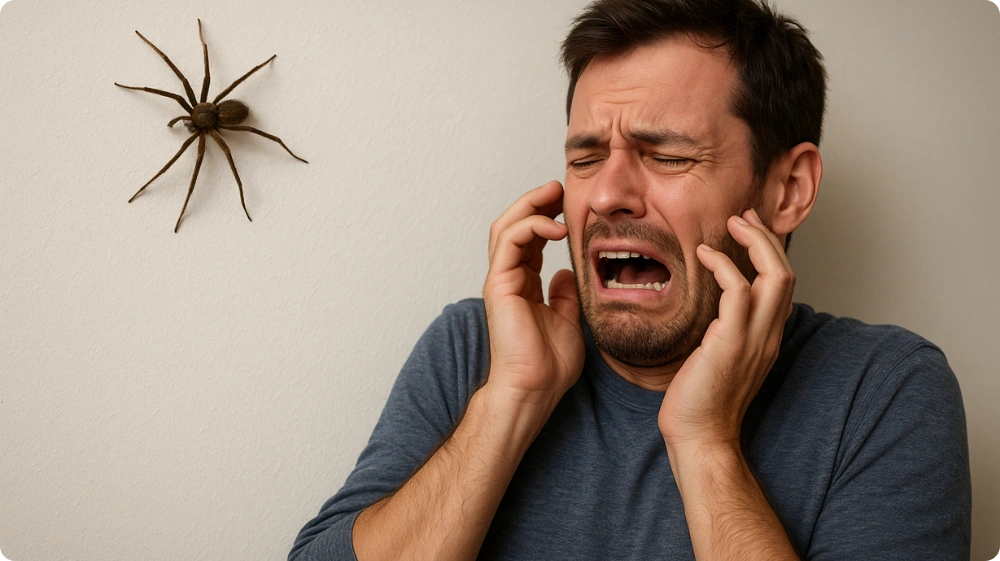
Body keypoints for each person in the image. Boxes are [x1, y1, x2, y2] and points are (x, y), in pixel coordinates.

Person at [289, 0, 971, 559]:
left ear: (787, 189)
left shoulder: (884, 389)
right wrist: (511, 402)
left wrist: (705, 444)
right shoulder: (478, 349)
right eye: (586, 157)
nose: (608, 192)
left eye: (668, 155)